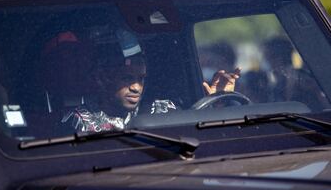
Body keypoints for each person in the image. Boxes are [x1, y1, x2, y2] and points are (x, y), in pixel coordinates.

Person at [53, 30, 240, 133]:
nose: (136, 87)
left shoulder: (164, 110)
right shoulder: (79, 120)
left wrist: (218, 102)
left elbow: (200, 136)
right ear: (101, 78)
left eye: (141, 78)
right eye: (127, 78)